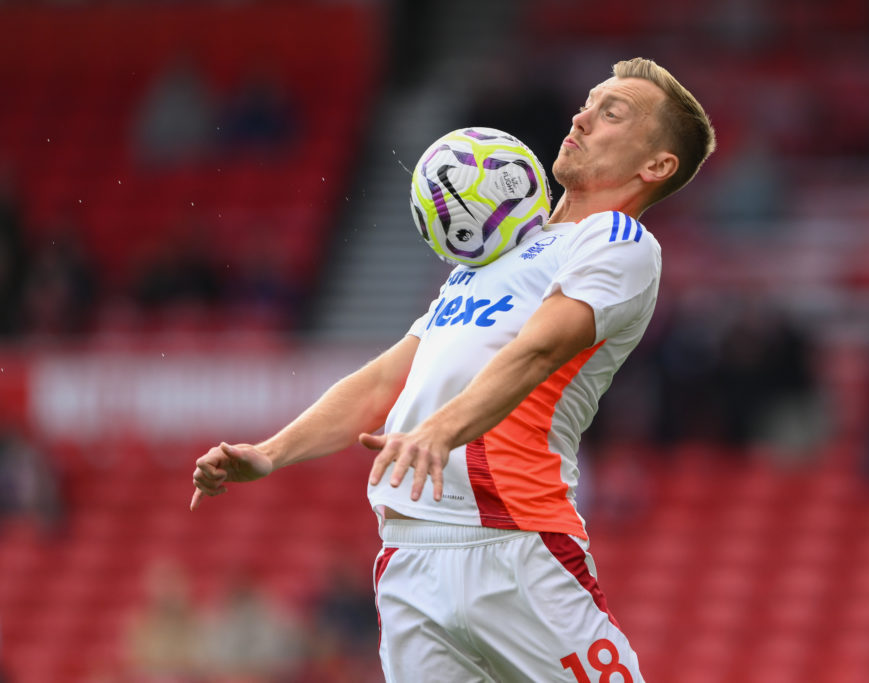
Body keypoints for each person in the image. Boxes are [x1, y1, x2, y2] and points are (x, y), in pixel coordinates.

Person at [190, 57, 715, 682]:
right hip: (408, 558)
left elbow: (538, 350)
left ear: (654, 166)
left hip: (510, 543)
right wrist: (273, 452)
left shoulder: (620, 242)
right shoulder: (494, 255)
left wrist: (439, 432)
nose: (582, 116)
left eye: (613, 112)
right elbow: (387, 380)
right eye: (591, 100)